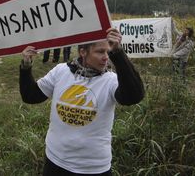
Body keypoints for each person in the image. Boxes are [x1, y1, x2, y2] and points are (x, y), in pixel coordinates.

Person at [19, 28, 145, 175]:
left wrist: (118, 53)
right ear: (83, 52)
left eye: (107, 52)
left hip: (93, 168)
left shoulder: (110, 81)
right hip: (55, 161)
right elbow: (31, 96)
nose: (106, 57)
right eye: (100, 52)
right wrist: (26, 66)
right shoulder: (61, 71)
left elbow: (134, 96)